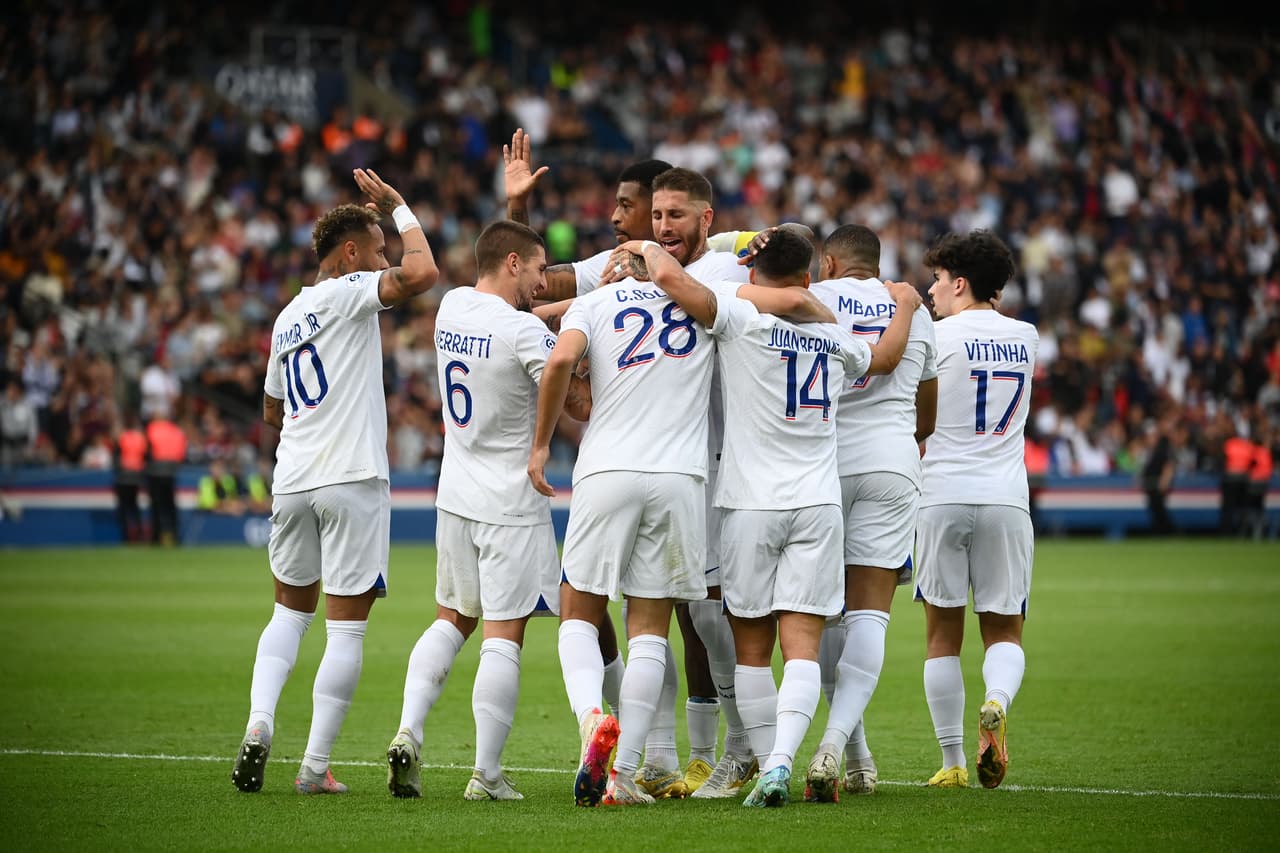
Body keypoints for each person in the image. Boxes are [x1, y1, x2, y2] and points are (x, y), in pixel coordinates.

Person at [616, 228, 921, 807]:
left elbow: (671, 281)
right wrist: (903, 304)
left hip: (751, 503)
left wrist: (645, 245)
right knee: (803, 645)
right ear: (809, 276)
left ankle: (765, 764)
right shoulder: (834, 333)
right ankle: (784, 762)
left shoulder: (740, 320)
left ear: (753, 276)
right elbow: (883, 359)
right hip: (817, 503)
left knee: (752, 650)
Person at [509, 133, 738, 798]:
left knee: (579, 611)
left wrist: (539, 444)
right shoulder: (708, 296)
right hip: (684, 475)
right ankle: (632, 768)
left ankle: (594, 726)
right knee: (652, 627)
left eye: (654, 211)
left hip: (607, 469)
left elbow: (552, 352)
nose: (633, 221)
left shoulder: (601, 296)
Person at [230, 167, 439, 795]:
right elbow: (423, 273)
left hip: (292, 477)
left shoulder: (285, 318)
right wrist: (400, 208)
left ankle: (259, 725)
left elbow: (271, 409)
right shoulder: (350, 292)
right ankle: (315, 769)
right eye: (376, 251)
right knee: (346, 629)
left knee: (288, 615)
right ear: (350, 254)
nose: (384, 261)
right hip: (350, 477)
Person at [384, 220, 590, 801]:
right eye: (541, 267)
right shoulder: (524, 333)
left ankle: (408, 730)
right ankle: (487, 773)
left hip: (455, 494)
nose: (545, 280)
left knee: (451, 617)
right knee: (505, 635)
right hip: (511, 500)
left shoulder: (452, 305)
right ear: (515, 265)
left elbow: (505, 284)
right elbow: (566, 383)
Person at [801, 223, 938, 801]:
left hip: (824, 460)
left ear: (828, 262)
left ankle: (855, 752)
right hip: (891, 462)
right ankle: (841, 746)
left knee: (826, 612)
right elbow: (925, 416)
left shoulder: (813, 300)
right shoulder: (914, 310)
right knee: (870, 616)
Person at [914, 229, 1039, 790]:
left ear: (960, 283)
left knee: (942, 633)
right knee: (1005, 630)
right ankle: (996, 699)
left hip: (940, 491)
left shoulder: (935, 337)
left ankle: (953, 762)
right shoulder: (1027, 336)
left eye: (939, 280)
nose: (931, 291)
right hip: (1006, 496)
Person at [144, 413, 187, 546]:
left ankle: (156, 537)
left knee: (157, 506)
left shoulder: (152, 428)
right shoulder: (176, 430)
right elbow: (181, 452)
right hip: (171, 471)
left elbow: (147, 450)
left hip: (155, 471)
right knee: (171, 505)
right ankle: (175, 535)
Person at [111, 410, 148, 542]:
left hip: (123, 476)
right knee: (134, 506)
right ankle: (138, 534)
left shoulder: (122, 437)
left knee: (124, 507)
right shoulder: (141, 438)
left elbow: (116, 457)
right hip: (136, 475)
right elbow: (146, 457)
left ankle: (127, 536)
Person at [1140, 421, 1176, 535]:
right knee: (1155, 510)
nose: (1150, 439)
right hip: (1151, 487)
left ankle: (1169, 532)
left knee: (1160, 510)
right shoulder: (1148, 451)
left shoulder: (1162, 449)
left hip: (1158, 486)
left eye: (1152, 436)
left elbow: (1169, 465)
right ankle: (1160, 533)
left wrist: (1165, 480)